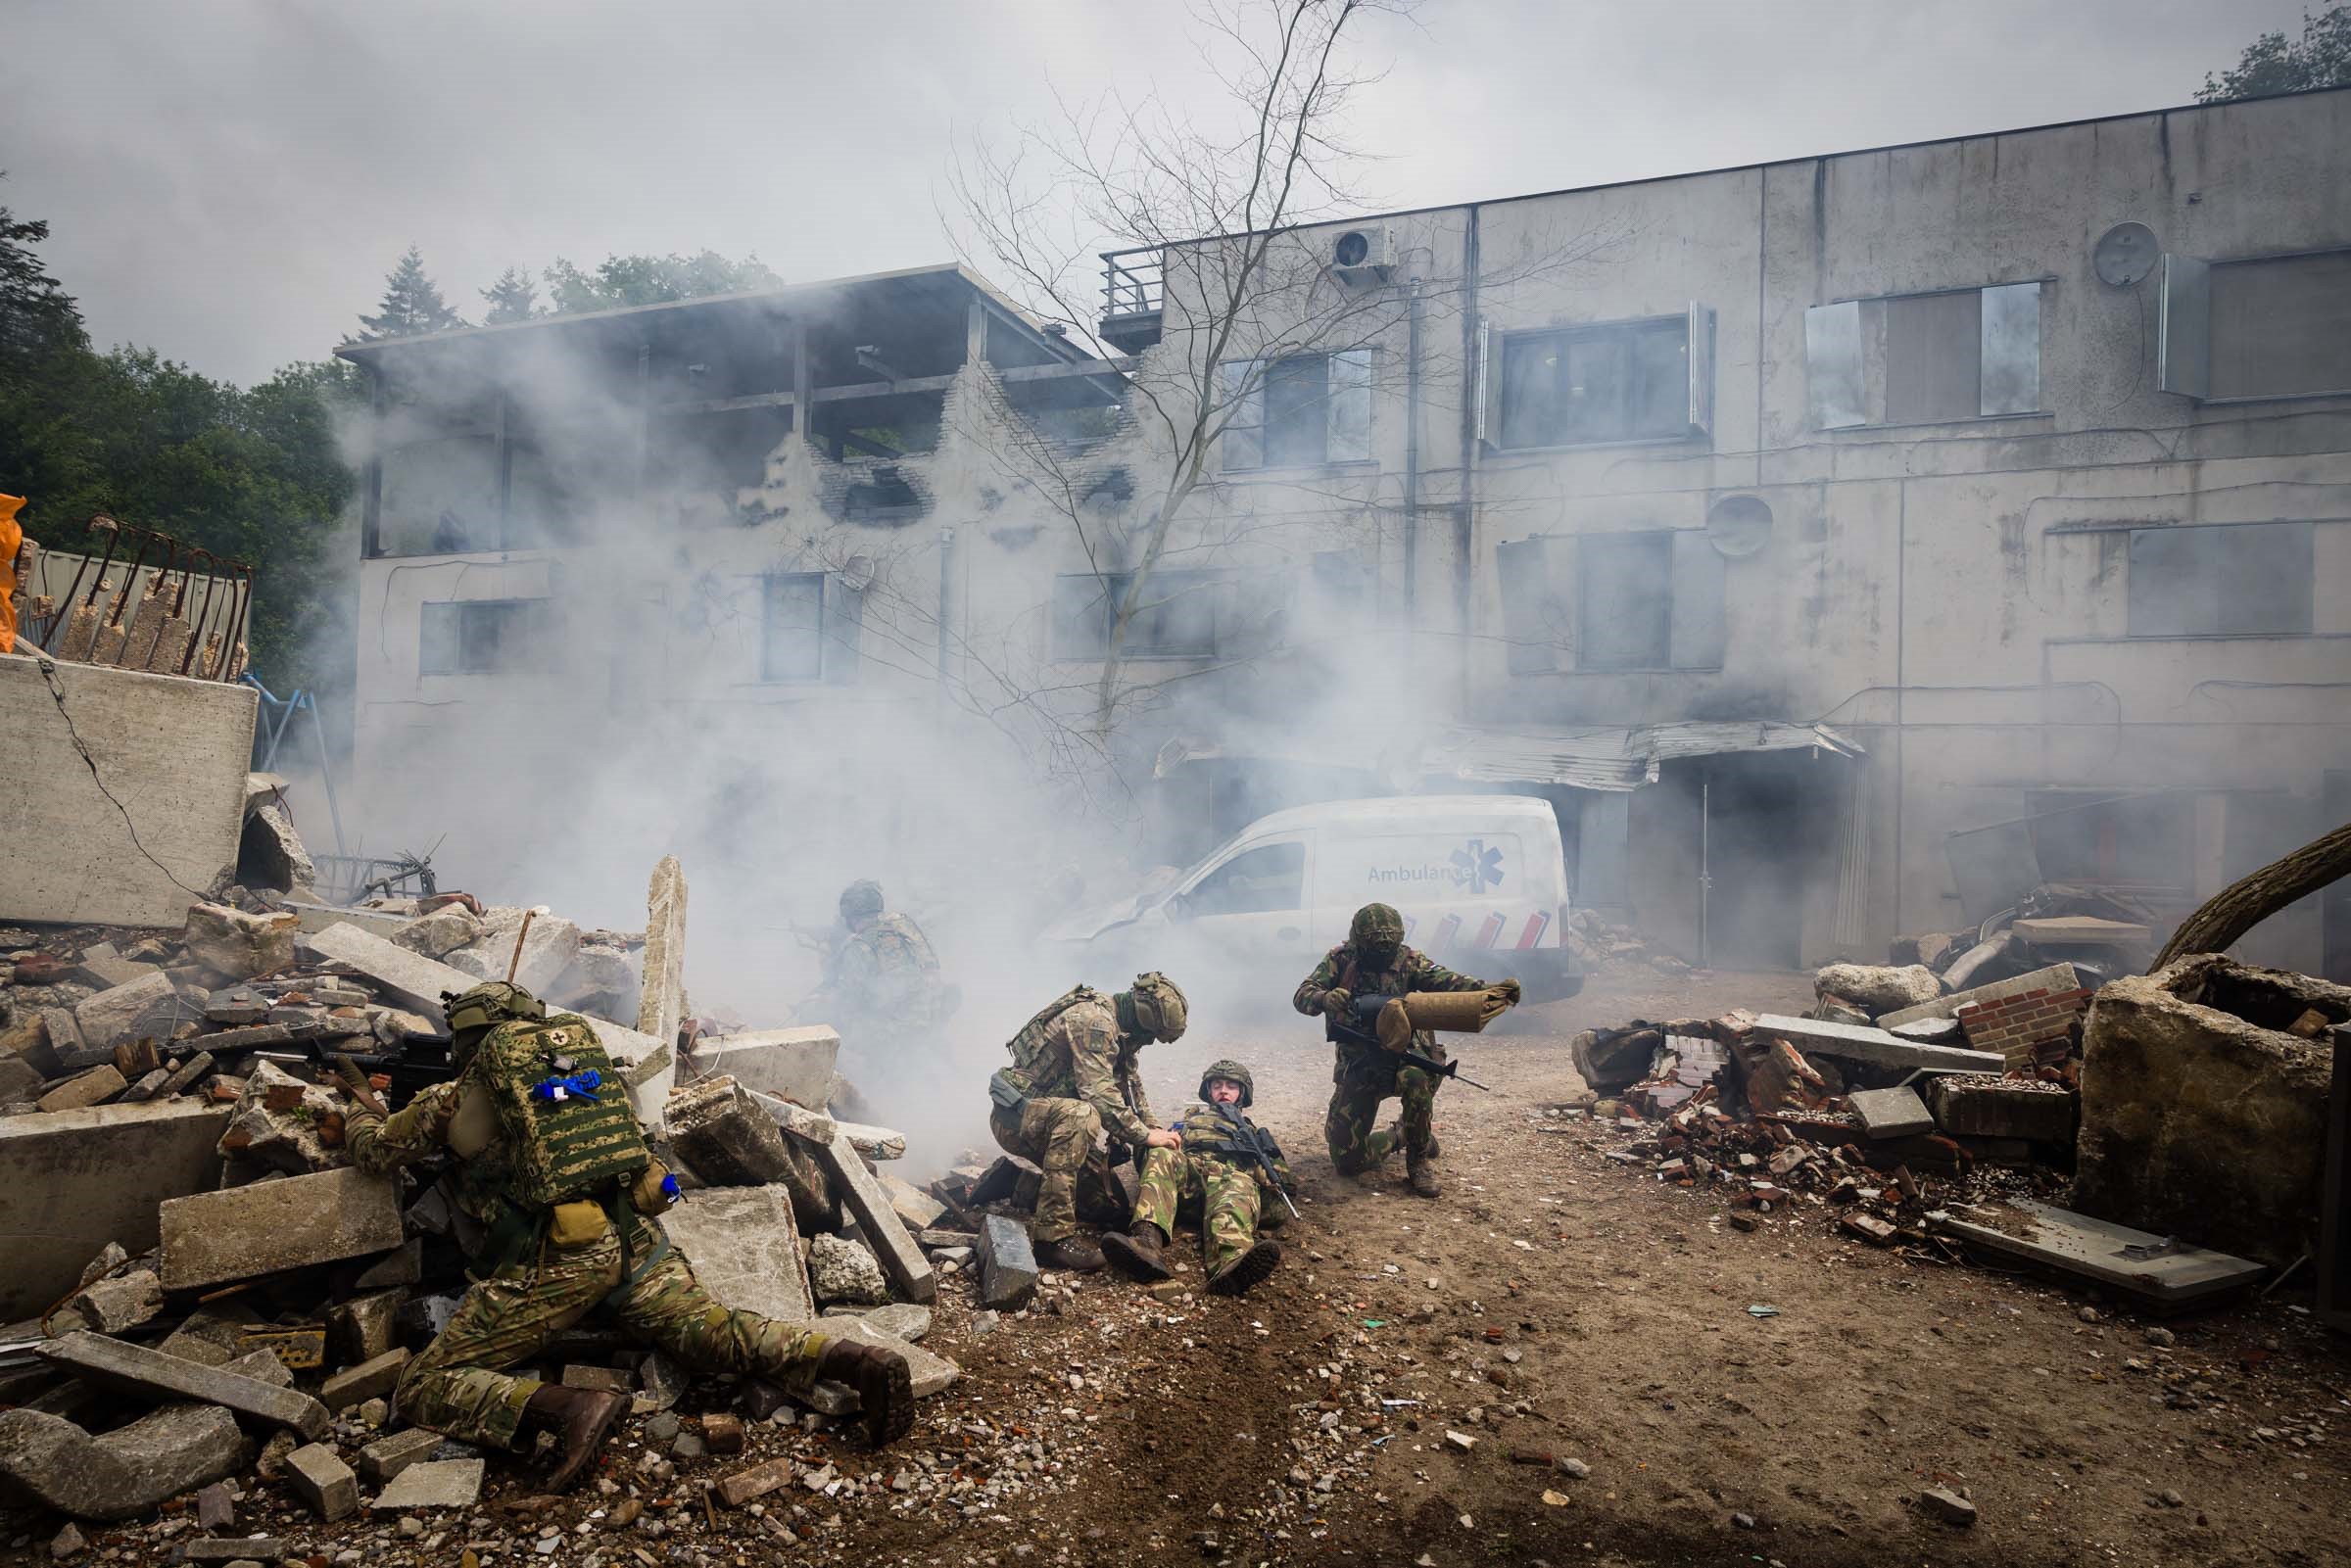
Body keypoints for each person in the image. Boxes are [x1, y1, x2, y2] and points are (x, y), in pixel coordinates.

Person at [344, 980, 914, 1490]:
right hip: (635, 1242)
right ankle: (854, 1358)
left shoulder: (451, 1100)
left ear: (469, 1040)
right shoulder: (585, 1082)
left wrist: (355, 1112)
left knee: (426, 1383)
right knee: (713, 1334)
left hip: (554, 1264)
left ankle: (569, 1409)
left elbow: (375, 1153)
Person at [1292, 903, 1519, 1199]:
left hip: (1405, 1054)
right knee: (1347, 1161)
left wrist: (1491, 990)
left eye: (1390, 944)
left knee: (1416, 1081)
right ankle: (1399, 1135)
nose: (1384, 951)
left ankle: (1419, 1160)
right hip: (1360, 1061)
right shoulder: (1340, 960)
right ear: (1360, 940)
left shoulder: (1410, 961)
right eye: (1376, 945)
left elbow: (1448, 982)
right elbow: (1302, 995)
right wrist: (1325, 998)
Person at [986, 972, 1188, 1271]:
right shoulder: (1095, 1021)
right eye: (1155, 1034)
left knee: (1110, 1207)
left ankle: (1015, 1183)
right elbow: (1098, 1095)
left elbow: (1130, 1086)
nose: (1151, 1042)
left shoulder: (1121, 1031)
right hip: (1017, 1120)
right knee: (1083, 1115)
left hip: (1051, 1123)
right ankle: (1052, 1241)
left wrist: (1154, 1129)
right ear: (1146, 1018)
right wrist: (1143, 1135)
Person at [1101, 1058, 1293, 1296]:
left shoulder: (1253, 1133)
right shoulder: (1186, 1122)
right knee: (1162, 1151)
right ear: (1208, 1091)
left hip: (1228, 1190)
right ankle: (1145, 1243)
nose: (1223, 1091)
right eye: (1217, 1085)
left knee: (1237, 1181)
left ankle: (1230, 1263)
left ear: (1243, 1093)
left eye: (1231, 1086)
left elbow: (1284, 1189)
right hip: (1188, 1187)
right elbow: (1149, 1158)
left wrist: (1268, 1178)